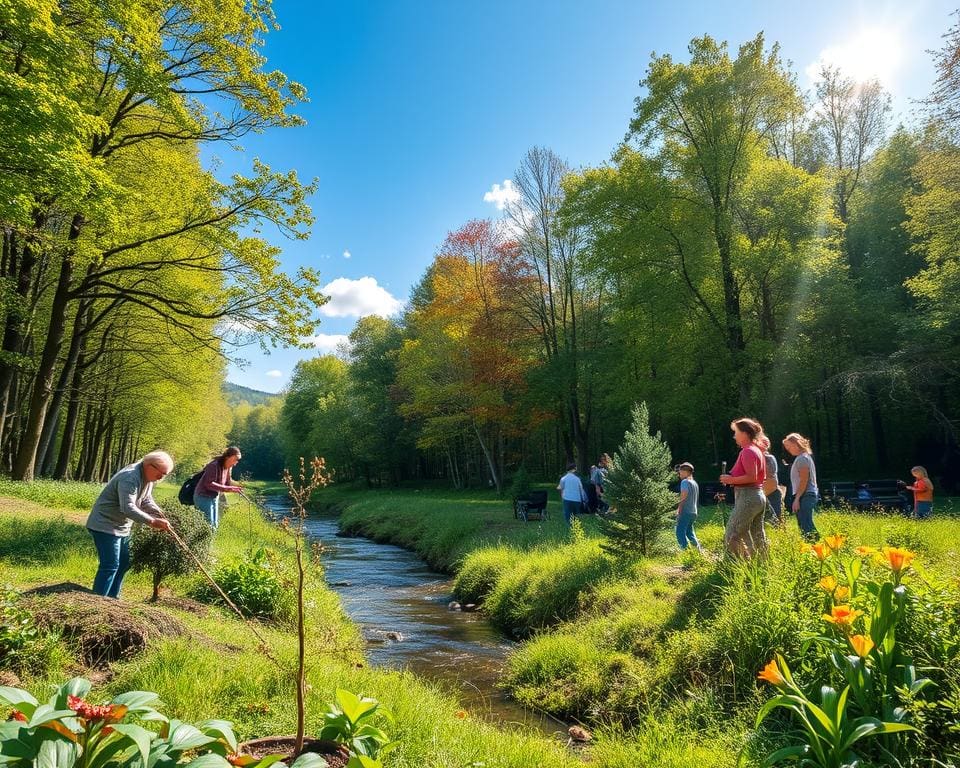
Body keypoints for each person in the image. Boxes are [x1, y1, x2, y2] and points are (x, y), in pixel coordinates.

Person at [86, 451, 173, 599]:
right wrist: (152, 521)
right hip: (105, 524)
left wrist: (160, 513)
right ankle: (98, 602)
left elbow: (146, 499)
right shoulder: (130, 477)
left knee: (125, 562)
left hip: (122, 526)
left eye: (164, 475)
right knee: (110, 565)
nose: (161, 478)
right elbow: (127, 507)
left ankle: (113, 599)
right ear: (149, 466)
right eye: (161, 474)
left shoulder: (148, 477)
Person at [720, 418, 768, 559]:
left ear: (745, 433)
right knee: (756, 533)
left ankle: (735, 565)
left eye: (736, 432)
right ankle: (761, 564)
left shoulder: (748, 451)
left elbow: (752, 477)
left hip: (748, 497)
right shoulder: (756, 450)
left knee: (732, 532)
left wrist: (731, 480)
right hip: (757, 496)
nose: (734, 436)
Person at [194, 446, 244, 529]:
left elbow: (228, 483)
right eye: (235, 459)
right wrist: (228, 489)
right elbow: (209, 484)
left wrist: (236, 487)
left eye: (238, 460)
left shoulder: (227, 467)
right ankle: (204, 541)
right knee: (208, 524)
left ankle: (210, 541)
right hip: (203, 496)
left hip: (214, 497)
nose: (236, 463)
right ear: (227, 457)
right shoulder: (214, 465)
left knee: (215, 525)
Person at [783, 433, 819, 540]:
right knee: (803, 524)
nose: (788, 450)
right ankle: (810, 548)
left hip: (805, 495)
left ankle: (817, 547)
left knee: (806, 524)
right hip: (805, 494)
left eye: (789, 446)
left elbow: (804, 480)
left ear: (796, 443)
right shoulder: (802, 457)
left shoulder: (802, 458)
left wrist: (797, 499)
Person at [675, 462, 702, 552]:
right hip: (693, 512)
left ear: (686, 471)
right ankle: (698, 551)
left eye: (680, 472)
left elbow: (684, 494)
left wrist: (679, 509)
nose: (679, 474)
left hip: (685, 511)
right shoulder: (694, 483)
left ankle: (686, 552)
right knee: (689, 532)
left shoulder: (685, 482)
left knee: (679, 531)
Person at [758, 436, 783, 523]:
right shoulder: (754, 458)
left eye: (766, 443)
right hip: (759, 493)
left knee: (776, 519)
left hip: (772, 492)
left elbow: (770, 474)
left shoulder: (769, 458)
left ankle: (781, 535)